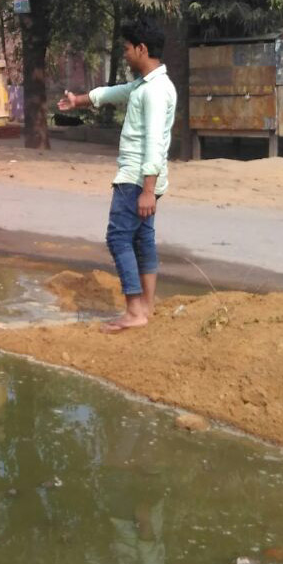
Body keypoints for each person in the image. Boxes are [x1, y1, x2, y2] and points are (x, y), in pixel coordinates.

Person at [57, 17, 176, 332]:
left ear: (141, 48)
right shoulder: (149, 84)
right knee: (142, 238)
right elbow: (116, 92)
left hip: (137, 179)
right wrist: (79, 100)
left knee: (119, 237)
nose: (124, 54)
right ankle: (147, 306)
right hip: (146, 178)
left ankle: (135, 310)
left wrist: (147, 189)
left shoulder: (153, 92)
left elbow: (153, 142)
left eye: (126, 49)